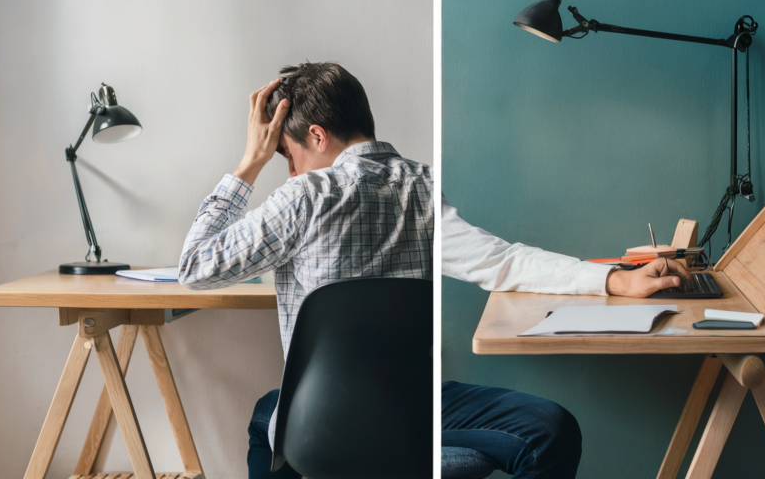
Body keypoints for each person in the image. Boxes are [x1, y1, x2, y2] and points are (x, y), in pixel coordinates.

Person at [178, 62, 433, 479]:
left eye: (288, 155)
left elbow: (193, 267)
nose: (292, 171)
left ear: (317, 135)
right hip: (413, 422)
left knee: (267, 417)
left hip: (324, 432)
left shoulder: (305, 195)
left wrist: (250, 163)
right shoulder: (428, 185)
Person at [441, 195, 689, 479]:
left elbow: (499, 261)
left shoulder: (414, 185)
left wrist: (619, 279)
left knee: (552, 430)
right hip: (383, 417)